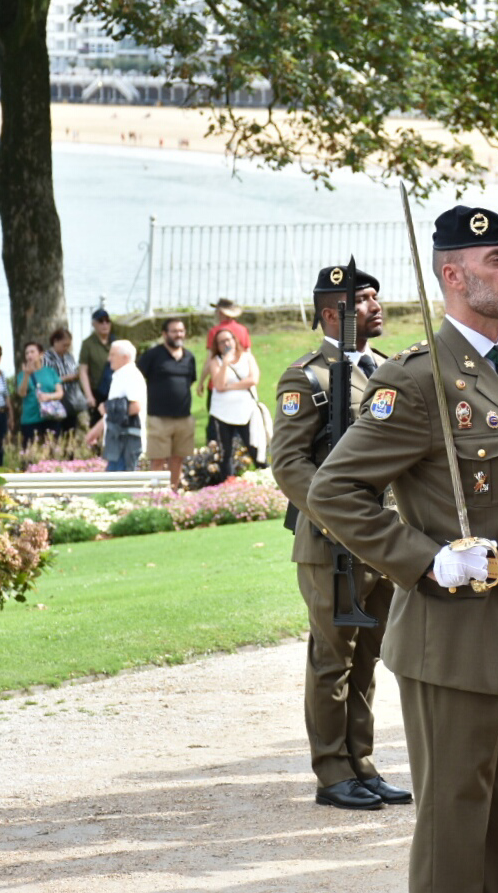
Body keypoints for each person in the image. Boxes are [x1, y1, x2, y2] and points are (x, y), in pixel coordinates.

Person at [308, 206, 498, 893]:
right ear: (452, 274)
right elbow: (334, 490)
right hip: (452, 632)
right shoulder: (419, 378)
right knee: (455, 833)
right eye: (497, 260)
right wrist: (425, 560)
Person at [271, 263, 404, 813]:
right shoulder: (308, 379)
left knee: (368, 656)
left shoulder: (388, 370)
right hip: (331, 543)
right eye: (364, 299)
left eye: (375, 297)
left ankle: (360, 763)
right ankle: (332, 772)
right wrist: (342, 516)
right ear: (334, 313)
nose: (377, 306)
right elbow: (289, 465)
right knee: (333, 659)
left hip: (383, 539)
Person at [137, 318, 197, 490]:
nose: (179, 334)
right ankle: (155, 494)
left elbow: (191, 380)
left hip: (184, 418)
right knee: (157, 459)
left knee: (178, 458)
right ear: (164, 334)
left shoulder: (189, 357)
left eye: (181, 331)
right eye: (174, 331)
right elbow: (138, 378)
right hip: (158, 417)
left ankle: (173, 492)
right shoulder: (153, 355)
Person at [205, 329, 260, 478]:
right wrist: (225, 363)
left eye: (228, 339)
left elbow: (253, 380)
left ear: (235, 340)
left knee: (254, 446)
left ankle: (265, 476)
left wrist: (229, 387)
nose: (226, 344)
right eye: (221, 342)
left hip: (246, 411)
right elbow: (219, 385)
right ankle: (228, 482)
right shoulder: (216, 362)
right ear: (217, 346)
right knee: (226, 451)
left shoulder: (247, 357)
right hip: (223, 413)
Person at [85, 340, 147, 471]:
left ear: (125, 357)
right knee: (113, 480)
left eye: (112, 355)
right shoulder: (121, 375)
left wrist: (108, 407)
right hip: (117, 441)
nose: (109, 359)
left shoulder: (130, 375)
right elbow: (117, 412)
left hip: (127, 441)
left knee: (119, 481)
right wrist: (97, 429)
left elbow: (135, 406)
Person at [15, 341, 64, 450]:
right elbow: (22, 393)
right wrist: (27, 375)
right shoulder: (22, 375)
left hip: (51, 417)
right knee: (31, 453)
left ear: (41, 354)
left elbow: (60, 393)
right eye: (27, 353)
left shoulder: (50, 372)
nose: (29, 355)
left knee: (52, 451)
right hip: (30, 419)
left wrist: (48, 396)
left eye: (32, 352)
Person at [43, 327, 86, 431]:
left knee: (71, 428)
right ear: (55, 341)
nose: (66, 348)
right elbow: (46, 380)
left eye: (68, 345)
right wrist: (65, 378)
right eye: (64, 345)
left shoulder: (69, 356)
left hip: (71, 398)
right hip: (55, 400)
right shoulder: (46, 358)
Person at [78, 308, 113, 427]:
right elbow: (83, 370)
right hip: (98, 391)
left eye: (107, 321)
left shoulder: (115, 341)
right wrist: (89, 395)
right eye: (101, 321)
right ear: (94, 324)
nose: (105, 324)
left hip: (115, 390)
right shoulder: (88, 344)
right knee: (96, 424)